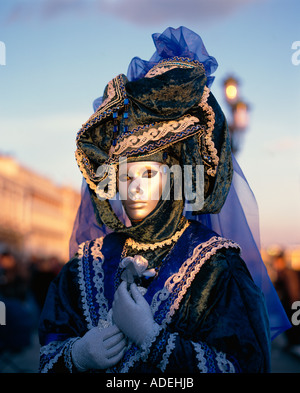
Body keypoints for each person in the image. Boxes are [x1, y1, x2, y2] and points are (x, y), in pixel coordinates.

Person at [38, 26, 290, 373]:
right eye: (125, 177)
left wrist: (154, 340)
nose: (135, 189)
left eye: (148, 174)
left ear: (173, 177)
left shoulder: (218, 268)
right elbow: (48, 353)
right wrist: (76, 356)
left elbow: (244, 366)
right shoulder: (87, 264)